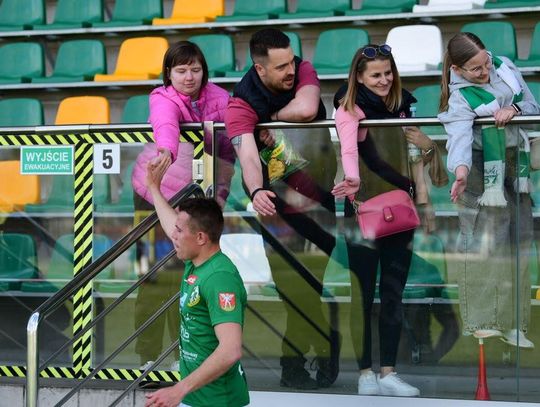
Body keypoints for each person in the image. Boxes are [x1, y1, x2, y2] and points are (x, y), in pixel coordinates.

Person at [225, 28, 340, 389]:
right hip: (277, 209)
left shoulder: (302, 69)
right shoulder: (240, 105)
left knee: (314, 284)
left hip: (320, 202)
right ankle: (304, 357)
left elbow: (307, 109)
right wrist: (257, 189)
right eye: (281, 67)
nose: (291, 70)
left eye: (291, 61)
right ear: (259, 69)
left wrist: (270, 117)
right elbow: (247, 156)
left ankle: (313, 351)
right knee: (293, 289)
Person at [332, 43, 441, 397]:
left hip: (400, 210)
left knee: (394, 292)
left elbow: (415, 160)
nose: (384, 80)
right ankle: (365, 372)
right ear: (360, 77)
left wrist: (424, 201)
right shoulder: (349, 107)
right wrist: (352, 178)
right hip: (361, 210)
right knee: (362, 295)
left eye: (388, 72)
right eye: (375, 75)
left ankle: (389, 372)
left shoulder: (404, 106)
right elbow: (349, 149)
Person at [130, 40, 234, 369]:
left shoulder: (221, 99)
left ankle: (182, 356)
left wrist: (219, 198)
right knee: (151, 277)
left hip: (196, 198)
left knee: (186, 278)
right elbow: (166, 125)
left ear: (204, 71)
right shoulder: (162, 97)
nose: (189, 77)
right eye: (181, 70)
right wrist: (167, 152)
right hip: (151, 194)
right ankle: (148, 357)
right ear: (168, 74)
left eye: (195, 69)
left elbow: (227, 154)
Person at [438, 32, 539, 347]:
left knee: (520, 242)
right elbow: (459, 138)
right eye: (476, 69)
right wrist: (461, 172)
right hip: (481, 169)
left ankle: (515, 324)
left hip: (516, 162)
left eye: (486, 64)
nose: (485, 72)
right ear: (457, 70)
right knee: (486, 244)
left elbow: (533, 106)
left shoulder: (504, 66)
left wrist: (516, 110)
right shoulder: (459, 97)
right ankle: (484, 320)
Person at [143, 160, 249, 407]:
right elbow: (172, 224)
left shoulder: (219, 278)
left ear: (200, 238)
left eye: (180, 231)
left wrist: (178, 390)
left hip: (219, 402)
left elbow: (231, 350)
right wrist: (153, 187)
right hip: (195, 398)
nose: (173, 235)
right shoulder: (197, 261)